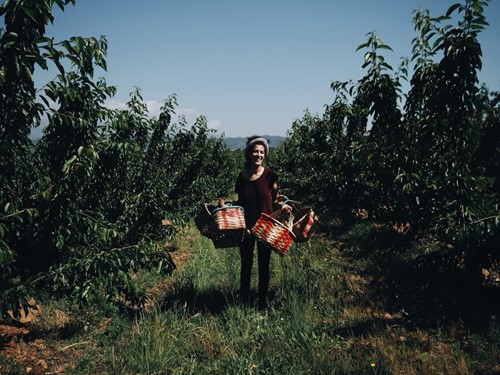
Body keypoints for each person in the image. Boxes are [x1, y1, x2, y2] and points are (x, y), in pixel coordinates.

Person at [235, 135, 290, 309]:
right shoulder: (242, 177)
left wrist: (283, 208)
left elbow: (274, 200)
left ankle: (261, 302)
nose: (258, 155)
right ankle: (243, 300)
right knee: (246, 264)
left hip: (266, 226)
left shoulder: (270, 176)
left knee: (263, 265)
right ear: (249, 154)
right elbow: (240, 202)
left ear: (265, 155)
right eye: (255, 151)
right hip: (246, 227)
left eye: (261, 152)